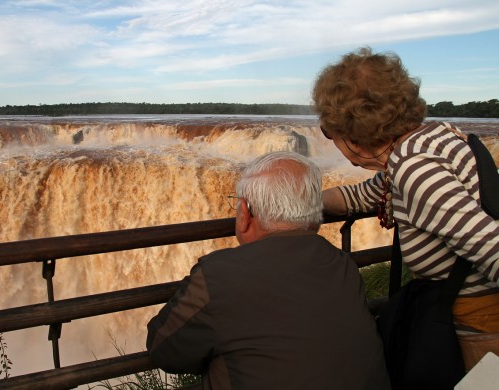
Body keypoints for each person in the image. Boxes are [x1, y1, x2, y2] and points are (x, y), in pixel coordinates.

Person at [312, 46, 499, 370]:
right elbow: (367, 195)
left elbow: (492, 250)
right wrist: (301, 199)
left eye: (330, 132)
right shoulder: (430, 141)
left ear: (353, 133)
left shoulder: (414, 169)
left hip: (481, 326)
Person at [146, 151, 391, 389]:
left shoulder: (219, 275)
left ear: (246, 213)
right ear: (315, 218)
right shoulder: (341, 264)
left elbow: (164, 349)